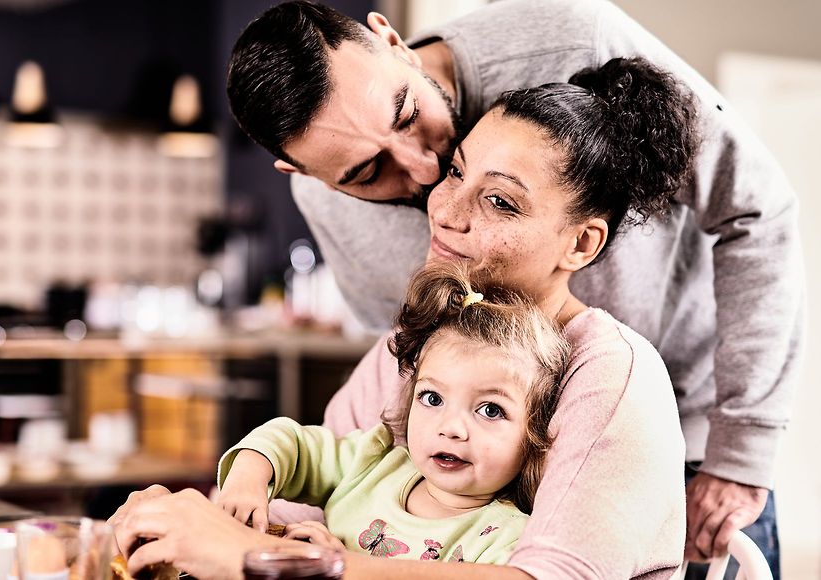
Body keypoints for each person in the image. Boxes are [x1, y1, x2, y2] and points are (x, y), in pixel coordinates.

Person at [226, 1, 804, 576]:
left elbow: (758, 210)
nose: (429, 179)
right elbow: (387, 394)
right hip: (464, 488)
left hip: (681, 433)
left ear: (391, 39)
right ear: (307, 177)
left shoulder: (572, 42)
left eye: (407, 114)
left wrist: (740, 454)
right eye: (367, 172)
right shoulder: (335, 206)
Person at [112, 55, 693, 579]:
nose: (444, 209)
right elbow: (303, 501)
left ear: (582, 244)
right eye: (459, 172)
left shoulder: (612, 374)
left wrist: (256, 555)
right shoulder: (416, 342)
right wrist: (187, 525)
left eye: (501, 201)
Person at [216, 262, 570, 563]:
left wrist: (339, 568)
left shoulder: (504, 541)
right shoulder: (372, 464)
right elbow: (291, 443)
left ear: (533, 434)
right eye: (432, 398)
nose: (451, 428)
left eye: (490, 409)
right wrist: (248, 478)